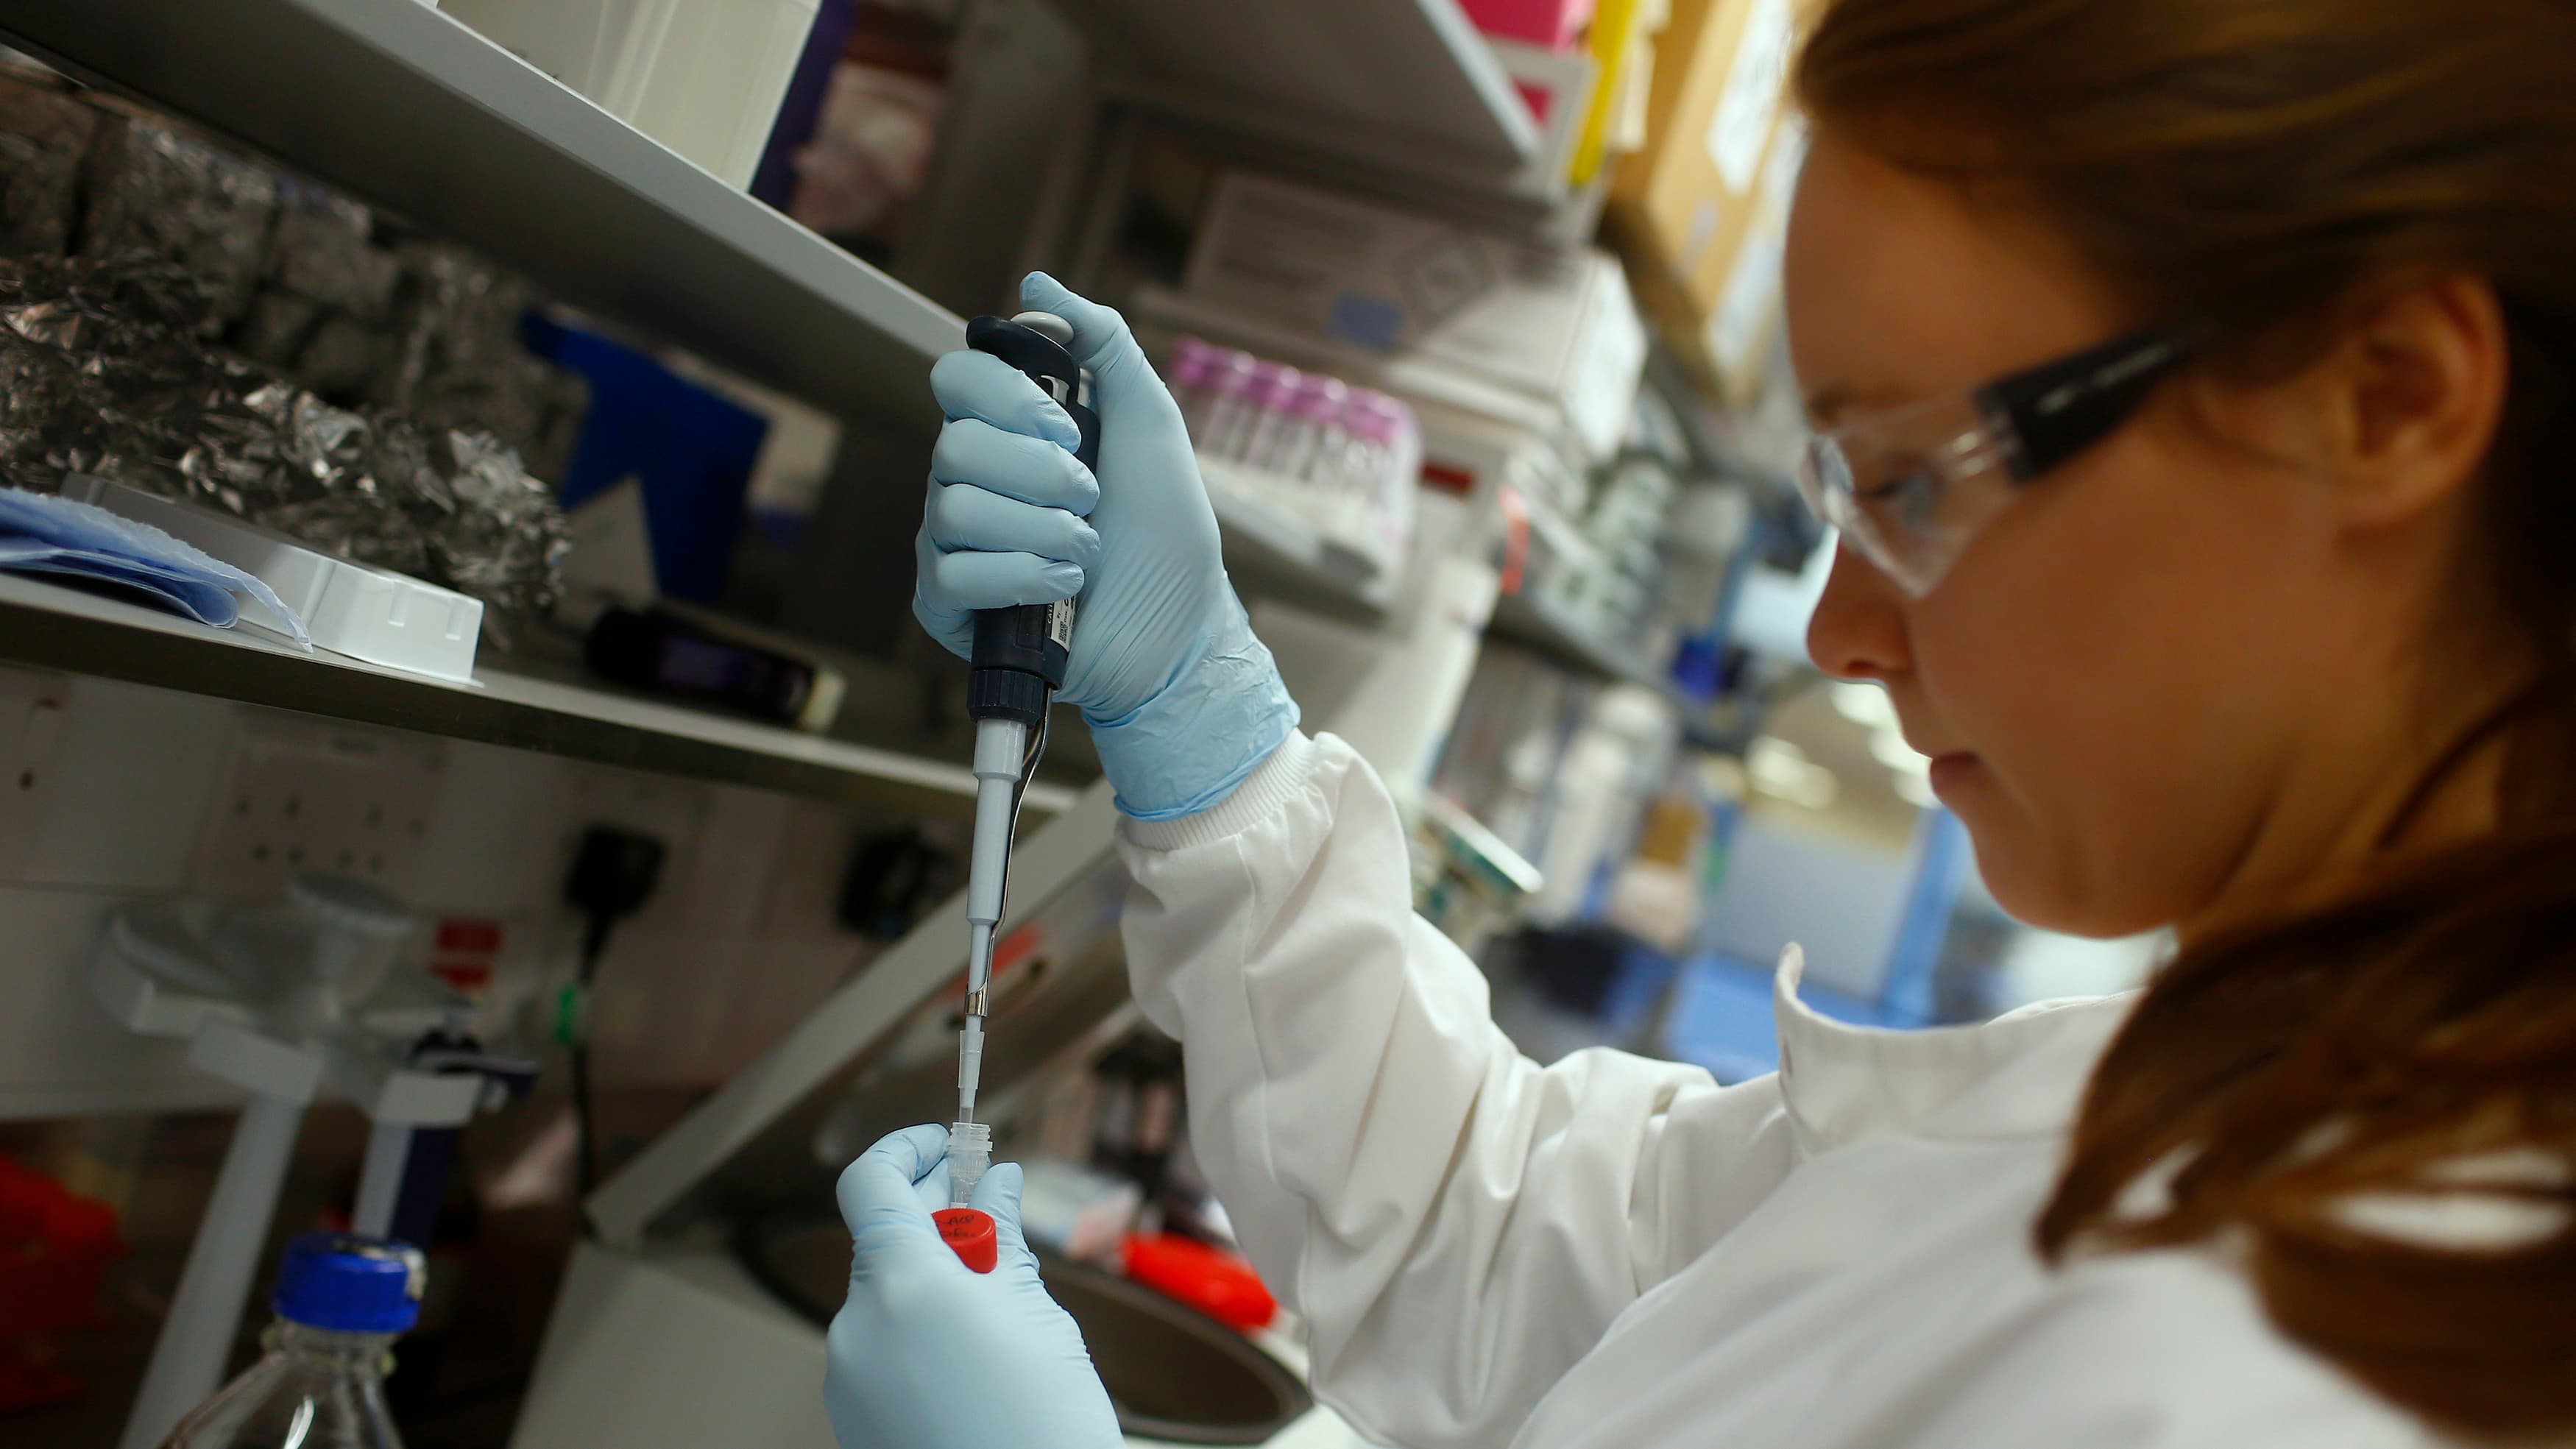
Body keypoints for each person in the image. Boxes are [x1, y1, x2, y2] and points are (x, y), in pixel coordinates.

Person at [822, 0, 2576, 1443]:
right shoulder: (2194, 1097)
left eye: (1907, 481)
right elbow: (1505, 1249)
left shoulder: (2349, 1375)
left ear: (2385, 401)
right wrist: (1206, 722)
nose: (1840, 628)